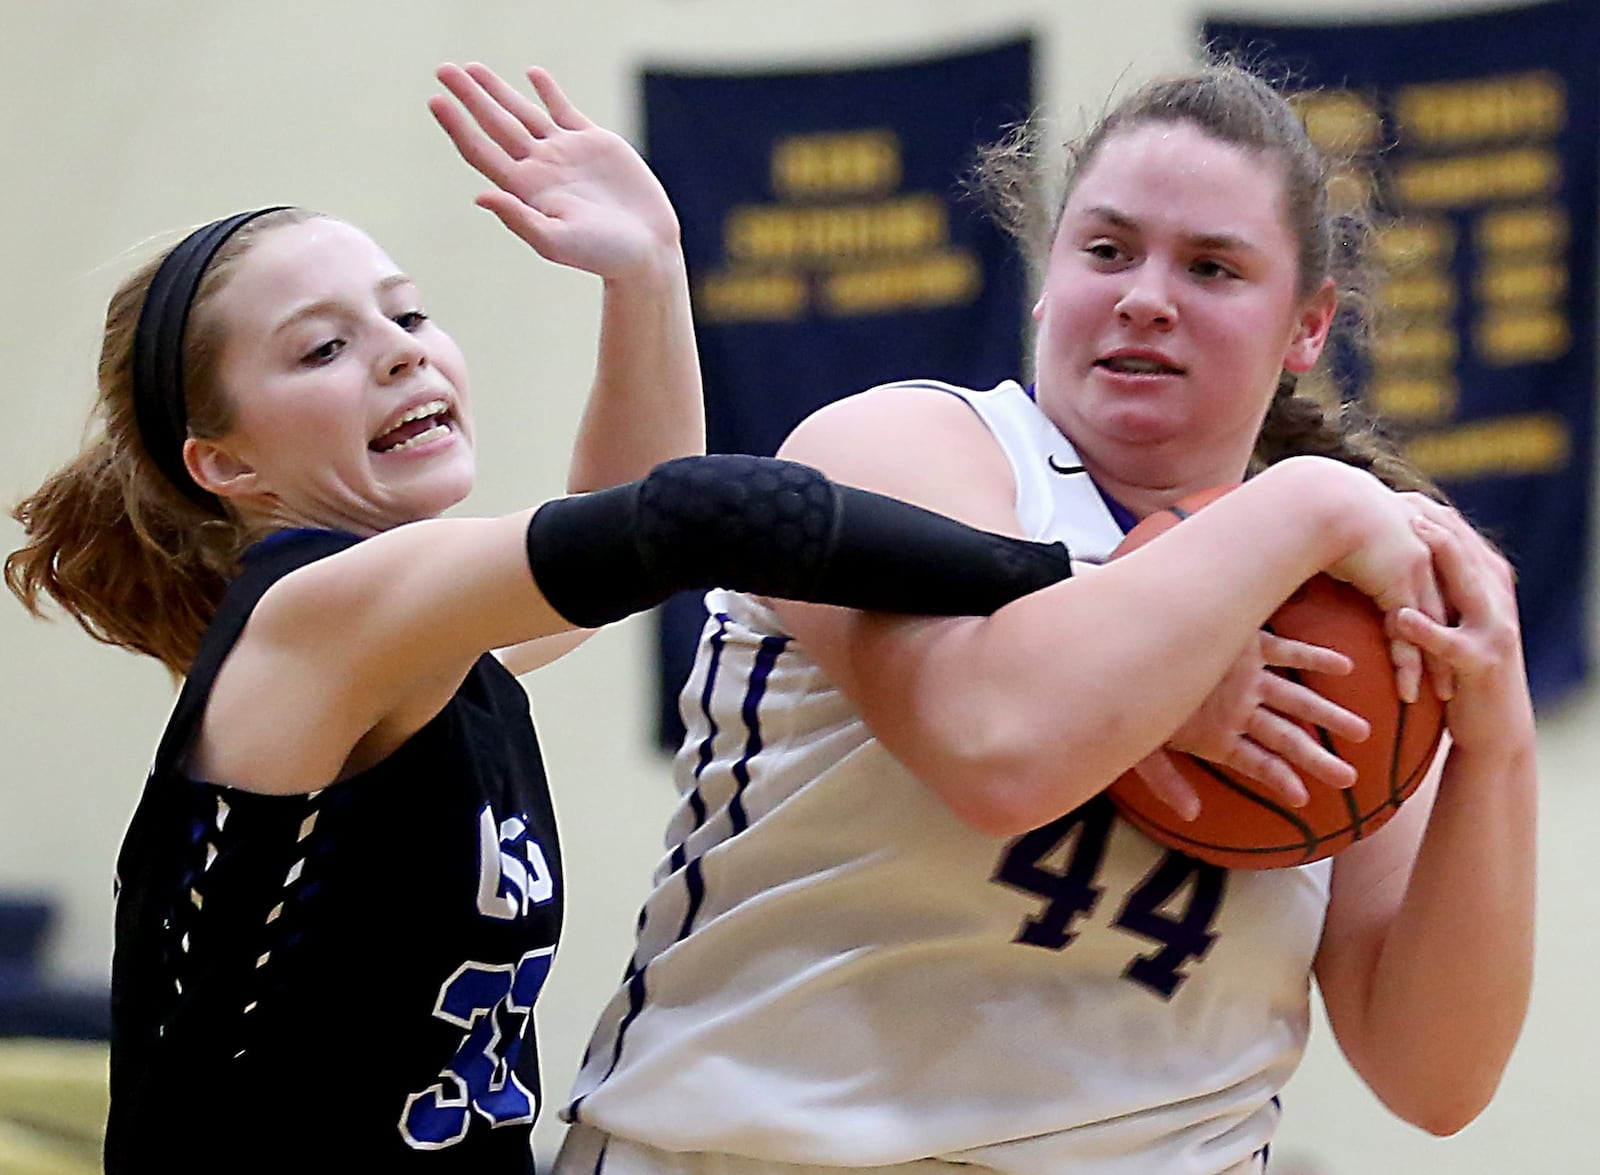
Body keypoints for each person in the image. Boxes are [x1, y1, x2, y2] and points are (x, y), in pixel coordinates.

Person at [2, 64, 1086, 1173]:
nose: (400, 347)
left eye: (408, 310)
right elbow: (694, 515)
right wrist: (1078, 580)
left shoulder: (412, 652)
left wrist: (649, 270)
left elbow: (630, 517)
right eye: (323, 348)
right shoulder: (314, 618)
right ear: (224, 461)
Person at [555, 60, 1537, 1174]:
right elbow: (997, 747)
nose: (1144, 296)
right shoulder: (897, 449)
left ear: (1308, 325)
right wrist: (1317, 500)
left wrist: (1492, 735)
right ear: (1045, 277)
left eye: (1211, 266)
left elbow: (1436, 1076)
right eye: (1107, 250)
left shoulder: (1347, 608)